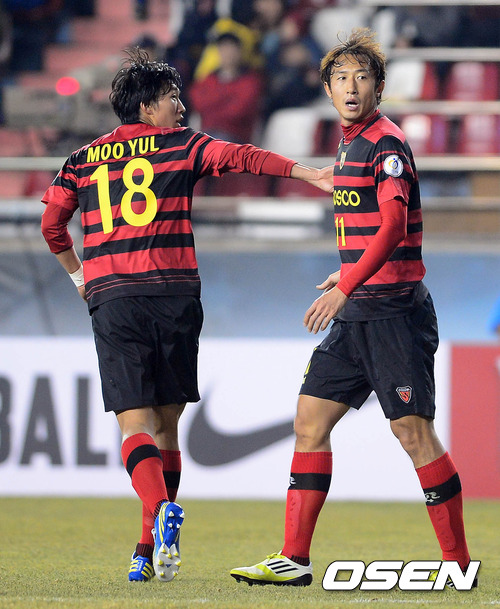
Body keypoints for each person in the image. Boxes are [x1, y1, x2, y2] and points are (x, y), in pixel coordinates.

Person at [40, 47, 333, 583]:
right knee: (167, 427)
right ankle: (146, 547)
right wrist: (307, 172)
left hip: (114, 297)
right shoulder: (184, 145)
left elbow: (52, 226)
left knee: (134, 425)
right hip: (175, 295)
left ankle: (155, 525)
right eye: (172, 97)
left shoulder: (80, 160)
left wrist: (80, 278)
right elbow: (244, 157)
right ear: (146, 106)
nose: (181, 105)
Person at [230, 28, 476, 588]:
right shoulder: (347, 144)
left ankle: (458, 564)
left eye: (362, 77)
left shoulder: (385, 144)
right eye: (340, 77)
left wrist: (346, 285)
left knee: (413, 434)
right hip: (357, 310)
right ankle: (294, 559)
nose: (351, 86)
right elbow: (367, 229)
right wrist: (346, 276)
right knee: (309, 422)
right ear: (327, 89)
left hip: (394, 314)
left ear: (379, 88)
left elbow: (393, 226)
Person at [189, 31, 263, 143]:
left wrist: (213, 103)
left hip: (236, 139)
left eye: (231, 48)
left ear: (239, 51)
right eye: (223, 48)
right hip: (208, 135)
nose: (227, 53)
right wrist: (227, 98)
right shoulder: (208, 79)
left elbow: (238, 112)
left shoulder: (251, 81)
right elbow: (197, 103)